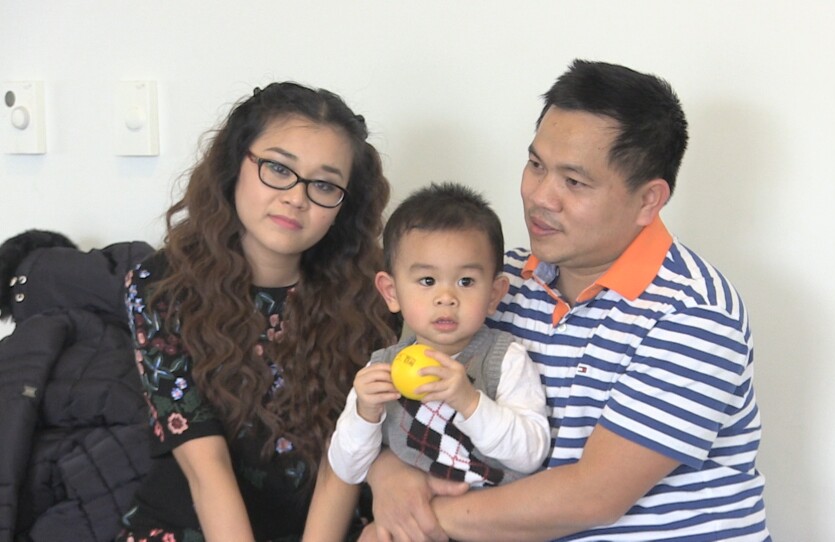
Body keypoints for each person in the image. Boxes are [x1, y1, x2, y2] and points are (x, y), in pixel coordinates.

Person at [361, 60, 771, 541]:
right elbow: (402, 401)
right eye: (536, 165)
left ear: (648, 200)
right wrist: (389, 475)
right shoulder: (491, 281)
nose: (540, 197)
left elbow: (591, 497)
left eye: (573, 182)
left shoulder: (693, 313)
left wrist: (422, 523)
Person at [118, 82, 399, 542]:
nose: (296, 197)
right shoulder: (159, 286)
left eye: (324, 184)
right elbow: (207, 469)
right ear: (236, 163)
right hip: (199, 523)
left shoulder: (373, 296)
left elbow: (346, 456)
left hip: (328, 524)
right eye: (278, 168)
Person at [321, 182, 550, 494]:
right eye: (427, 280)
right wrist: (365, 413)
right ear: (391, 292)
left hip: (493, 519)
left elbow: (531, 455)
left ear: (494, 294)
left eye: (466, 281)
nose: (446, 297)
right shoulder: (382, 370)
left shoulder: (505, 359)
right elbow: (348, 470)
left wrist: (469, 402)